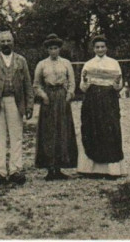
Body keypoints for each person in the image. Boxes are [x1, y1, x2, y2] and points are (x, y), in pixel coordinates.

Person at [0, 30, 34, 186]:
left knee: (16, 137)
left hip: (15, 103)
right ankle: (0, 172)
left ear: (13, 42)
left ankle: (16, 170)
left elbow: (28, 85)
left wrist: (29, 105)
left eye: (8, 40)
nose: (5, 44)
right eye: (2, 41)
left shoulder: (21, 61)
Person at [78, 35, 126, 177]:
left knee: (110, 130)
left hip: (109, 101)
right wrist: (85, 82)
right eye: (97, 47)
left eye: (102, 47)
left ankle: (112, 169)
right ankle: (92, 169)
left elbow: (119, 86)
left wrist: (117, 83)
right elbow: (83, 87)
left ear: (106, 48)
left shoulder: (114, 63)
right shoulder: (88, 64)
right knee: (92, 129)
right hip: (92, 101)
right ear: (93, 49)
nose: (100, 49)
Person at [33, 34, 78, 180]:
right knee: (48, 131)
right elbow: (36, 84)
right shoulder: (42, 64)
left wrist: (69, 95)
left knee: (62, 130)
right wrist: (43, 96)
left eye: (56, 48)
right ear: (47, 50)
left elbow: (71, 81)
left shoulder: (66, 63)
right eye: (51, 48)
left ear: (59, 49)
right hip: (48, 97)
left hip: (61, 96)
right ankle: (49, 168)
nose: (53, 51)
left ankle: (59, 167)